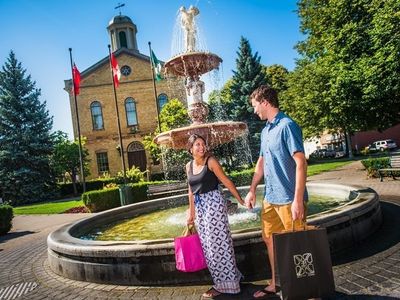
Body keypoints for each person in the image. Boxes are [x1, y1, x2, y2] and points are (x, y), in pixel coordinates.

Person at [244, 85, 308, 299]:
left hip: (289, 198)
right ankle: (276, 282)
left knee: (298, 245)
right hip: (270, 198)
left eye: (255, 106)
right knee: (269, 238)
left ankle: (307, 290)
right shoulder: (265, 130)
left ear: (265, 102)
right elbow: (261, 162)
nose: (254, 111)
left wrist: (298, 200)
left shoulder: (287, 125)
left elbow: (301, 163)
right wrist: (252, 189)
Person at [186, 134, 245, 298]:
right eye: (197, 145)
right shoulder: (188, 166)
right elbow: (190, 191)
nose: (201, 147)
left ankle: (228, 284)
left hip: (214, 205)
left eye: (203, 144)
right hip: (200, 208)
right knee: (208, 247)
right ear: (190, 149)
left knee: (219, 245)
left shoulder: (210, 161)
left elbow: (226, 181)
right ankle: (224, 281)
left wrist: (240, 199)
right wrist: (191, 213)